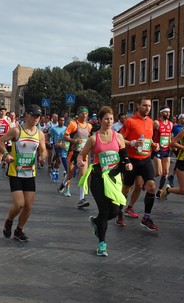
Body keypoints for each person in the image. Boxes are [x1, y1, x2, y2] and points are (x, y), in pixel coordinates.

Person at [77, 106, 132, 256]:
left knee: (114, 211)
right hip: (98, 177)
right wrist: (80, 161)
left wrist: (127, 162)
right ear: (100, 120)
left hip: (114, 178)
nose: (109, 121)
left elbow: (124, 153)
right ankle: (102, 244)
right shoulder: (93, 139)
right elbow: (81, 155)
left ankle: (96, 222)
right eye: (106, 119)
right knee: (104, 210)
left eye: (111, 119)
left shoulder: (118, 137)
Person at [0, 104, 47, 242]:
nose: (35, 118)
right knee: (19, 204)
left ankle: (19, 230)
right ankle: (9, 220)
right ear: (27, 115)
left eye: (38, 116)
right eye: (33, 115)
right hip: (15, 172)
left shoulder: (40, 134)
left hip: (30, 173)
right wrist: (6, 154)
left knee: (29, 206)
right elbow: (0, 142)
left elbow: (43, 150)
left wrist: (43, 156)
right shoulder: (16, 131)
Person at [117, 97, 160, 231]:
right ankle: (119, 213)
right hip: (132, 160)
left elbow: (148, 139)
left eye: (149, 106)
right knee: (126, 189)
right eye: (144, 105)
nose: (147, 108)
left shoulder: (151, 122)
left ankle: (146, 218)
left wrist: (154, 144)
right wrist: (133, 143)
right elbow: (119, 139)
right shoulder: (130, 122)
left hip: (146, 159)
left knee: (152, 186)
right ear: (138, 106)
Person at [60, 106, 92, 207]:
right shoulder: (74, 124)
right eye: (83, 113)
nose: (85, 115)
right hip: (73, 153)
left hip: (83, 154)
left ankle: (82, 199)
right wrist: (74, 141)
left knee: (83, 176)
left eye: (86, 113)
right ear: (78, 114)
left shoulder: (89, 126)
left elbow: (88, 137)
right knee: (71, 175)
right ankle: (63, 182)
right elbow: (64, 136)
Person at [154, 106, 173, 198]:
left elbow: (169, 136)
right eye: (166, 112)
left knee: (166, 172)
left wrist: (171, 145)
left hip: (166, 150)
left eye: (169, 112)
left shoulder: (170, 124)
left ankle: (159, 191)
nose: (168, 114)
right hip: (158, 150)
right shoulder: (157, 123)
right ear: (161, 113)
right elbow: (150, 135)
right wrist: (154, 144)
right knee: (158, 172)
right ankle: (147, 178)